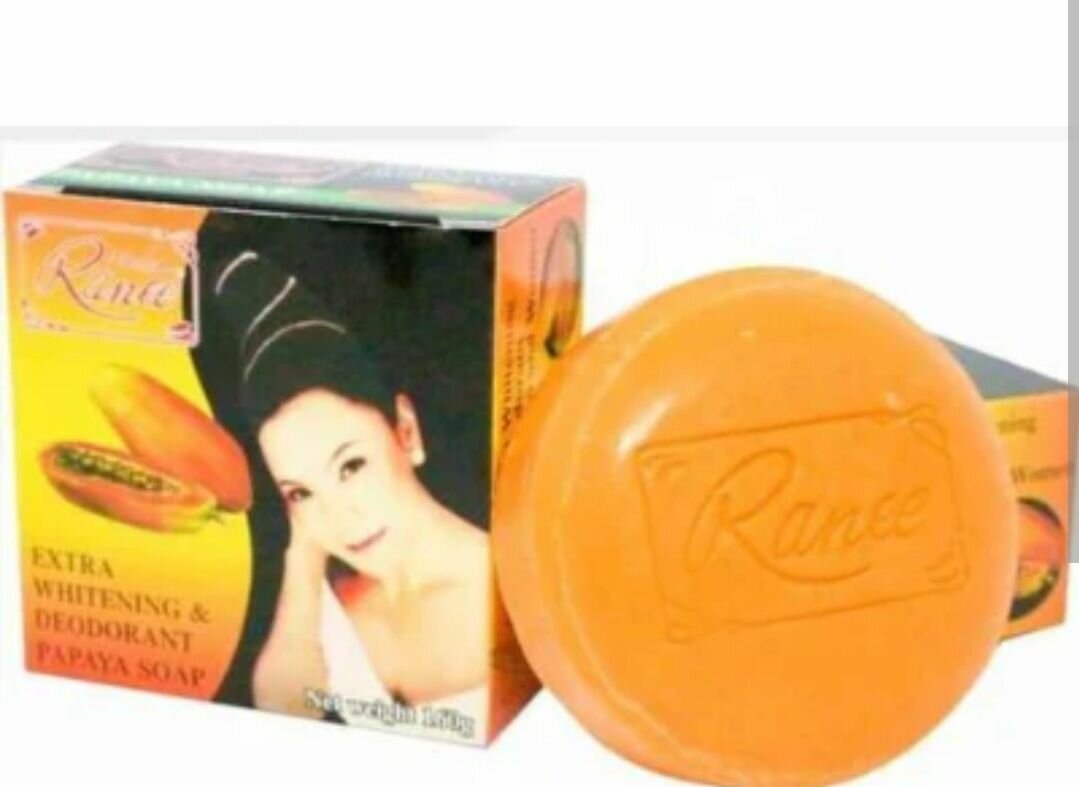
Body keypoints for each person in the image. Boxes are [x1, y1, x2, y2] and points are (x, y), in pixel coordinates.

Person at [203, 221, 492, 734]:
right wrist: (303, 552)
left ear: (406, 431)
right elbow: (283, 708)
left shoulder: (508, 590)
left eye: (351, 466)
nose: (341, 516)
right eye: (300, 490)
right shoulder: (322, 595)